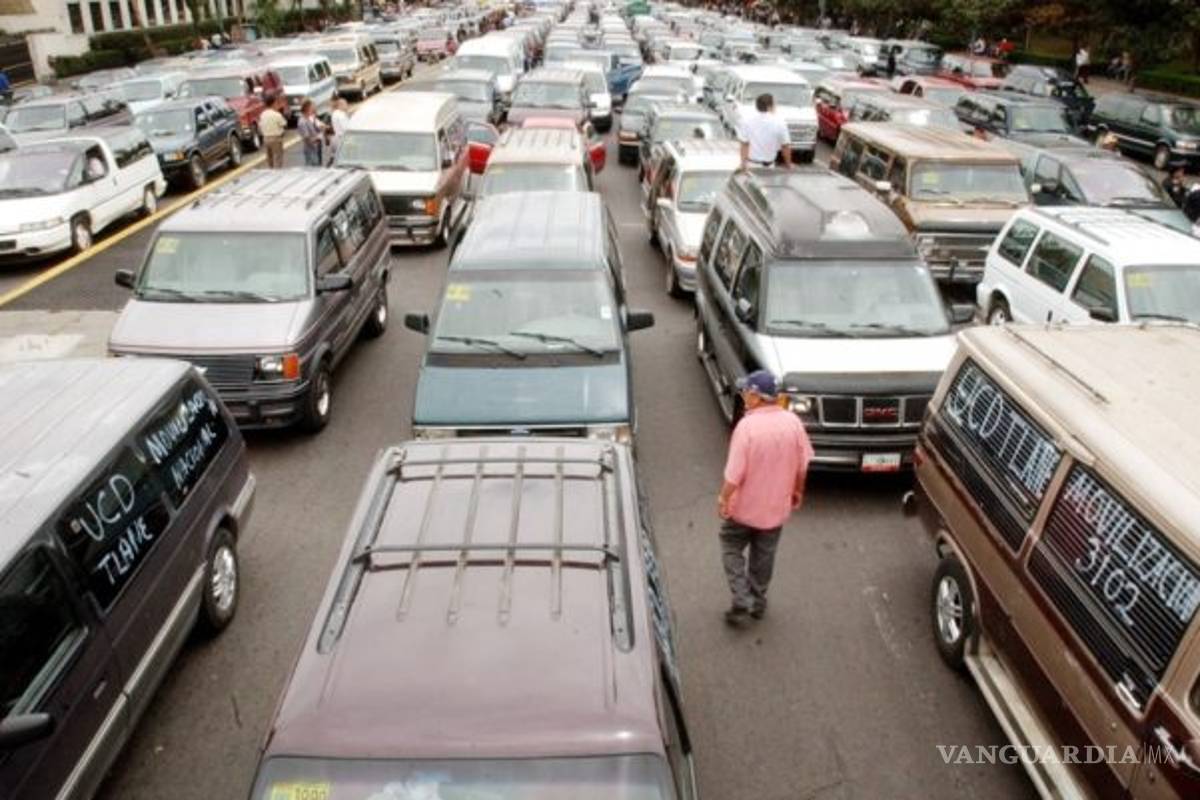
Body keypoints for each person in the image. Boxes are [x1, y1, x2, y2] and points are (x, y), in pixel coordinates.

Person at [717, 370, 813, 626]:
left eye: (746, 391)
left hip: (744, 509)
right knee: (764, 555)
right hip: (775, 510)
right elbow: (803, 465)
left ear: (756, 396)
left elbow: (734, 475)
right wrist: (797, 491)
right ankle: (758, 602)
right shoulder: (793, 422)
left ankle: (741, 599)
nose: (743, 395)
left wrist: (723, 499)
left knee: (730, 546)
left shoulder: (746, 427)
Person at [736, 93, 791, 169]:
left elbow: (744, 144)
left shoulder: (747, 121)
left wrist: (743, 164)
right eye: (774, 105)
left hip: (751, 165)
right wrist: (788, 164)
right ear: (770, 107)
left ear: (757, 106)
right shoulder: (780, 123)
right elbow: (785, 146)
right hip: (770, 166)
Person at [259, 92, 288, 169]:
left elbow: (260, 125)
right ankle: (278, 173)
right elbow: (284, 124)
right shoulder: (276, 114)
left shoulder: (262, 114)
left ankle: (270, 170)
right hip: (276, 138)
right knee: (278, 158)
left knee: (269, 158)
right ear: (274, 103)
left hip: (266, 138)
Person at [297, 99, 324, 167]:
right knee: (312, 169)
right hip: (310, 150)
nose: (313, 109)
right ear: (307, 108)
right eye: (312, 107)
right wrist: (318, 138)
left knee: (317, 166)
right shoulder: (302, 122)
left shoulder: (308, 118)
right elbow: (307, 138)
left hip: (314, 148)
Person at [328, 97, 350, 164]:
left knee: (337, 156)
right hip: (343, 139)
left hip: (336, 138)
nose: (347, 106)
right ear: (340, 105)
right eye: (346, 104)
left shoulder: (334, 114)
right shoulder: (341, 115)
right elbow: (346, 128)